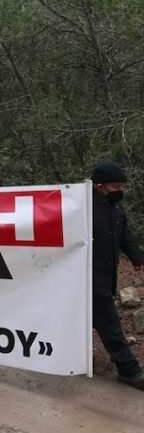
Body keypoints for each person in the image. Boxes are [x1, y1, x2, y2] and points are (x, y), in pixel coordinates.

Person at [90, 162, 144, 390]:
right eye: (115, 186)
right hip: (88, 279)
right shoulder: (83, 208)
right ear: (99, 186)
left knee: (95, 322)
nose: (119, 190)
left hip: (106, 275)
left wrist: (137, 259)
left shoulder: (116, 207)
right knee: (110, 324)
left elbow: (125, 236)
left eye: (122, 186)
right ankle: (129, 370)